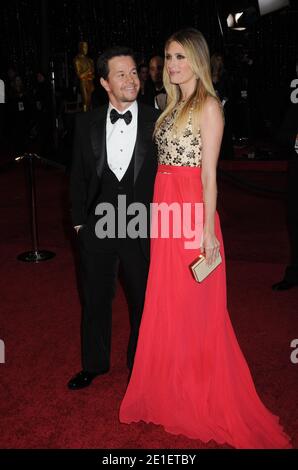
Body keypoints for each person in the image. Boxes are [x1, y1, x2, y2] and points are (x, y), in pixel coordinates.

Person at [119, 28, 292, 449]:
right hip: (165, 211)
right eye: (167, 56)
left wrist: (206, 232)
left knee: (195, 307)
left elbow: (210, 176)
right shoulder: (168, 105)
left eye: (179, 56)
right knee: (167, 302)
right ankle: (170, 387)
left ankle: (198, 391)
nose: (171, 64)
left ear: (196, 59)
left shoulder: (209, 107)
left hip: (191, 213)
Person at [68, 46, 160, 390]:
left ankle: (140, 364)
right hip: (98, 223)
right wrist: (79, 223)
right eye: (121, 74)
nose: (131, 79)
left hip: (141, 223)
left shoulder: (158, 119)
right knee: (94, 297)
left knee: (143, 300)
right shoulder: (86, 123)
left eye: (134, 72)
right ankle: (94, 364)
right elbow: (77, 176)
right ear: (104, 82)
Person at [73, 41, 95, 112]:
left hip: (90, 82)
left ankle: (90, 118)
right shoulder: (77, 60)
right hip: (83, 82)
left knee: (90, 101)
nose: (86, 49)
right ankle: (85, 118)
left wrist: (91, 75)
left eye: (87, 47)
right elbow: (80, 75)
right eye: (84, 47)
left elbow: (93, 72)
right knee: (85, 101)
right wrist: (88, 70)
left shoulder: (89, 60)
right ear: (80, 48)